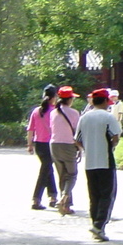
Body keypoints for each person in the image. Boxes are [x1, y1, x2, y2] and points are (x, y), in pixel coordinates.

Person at [75, 88, 121, 241]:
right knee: (107, 194)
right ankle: (100, 224)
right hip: (105, 160)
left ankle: (95, 222)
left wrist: (87, 148)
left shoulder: (84, 117)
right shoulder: (108, 117)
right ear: (105, 101)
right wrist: (111, 145)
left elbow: (77, 139)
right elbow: (115, 136)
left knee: (94, 195)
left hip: (90, 162)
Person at [26, 84, 59, 209]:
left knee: (47, 169)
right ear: (54, 97)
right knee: (45, 171)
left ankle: (53, 196)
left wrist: (29, 144)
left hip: (38, 144)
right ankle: (36, 199)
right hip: (50, 144)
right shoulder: (55, 111)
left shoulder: (36, 111)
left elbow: (30, 129)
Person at [50, 86, 81, 215]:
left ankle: (66, 205)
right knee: (72, 174)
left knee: (62, 175)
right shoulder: (74, 113)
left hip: (54, 145)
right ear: (69, 99)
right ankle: (65, 196)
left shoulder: (53, 112)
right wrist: (79, 148)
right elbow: (78, 132)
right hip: (68, 145)